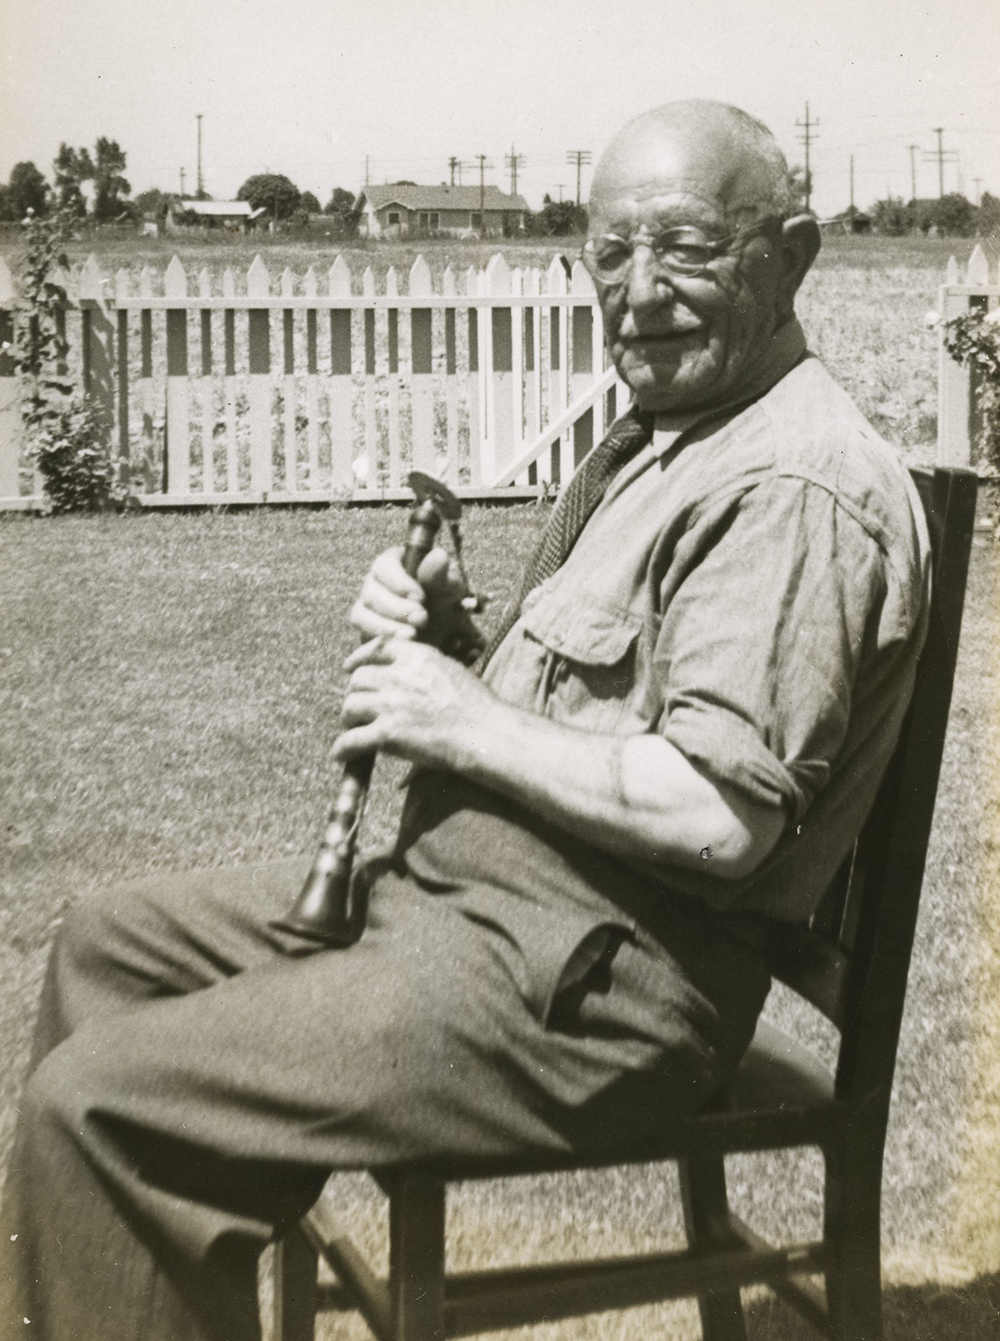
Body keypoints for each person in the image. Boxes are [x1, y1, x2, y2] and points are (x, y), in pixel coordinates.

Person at [0, 100, 930, 1341]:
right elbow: (599, 709)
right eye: (610, 253)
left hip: (598, 995)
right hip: (484, 917)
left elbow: (716, 819)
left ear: (792, 255)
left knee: (100, 1111)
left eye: (688, 249)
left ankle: (148, 1211)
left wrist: (458, 723)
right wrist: (452, 644)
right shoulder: (671, 440)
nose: (641, 293)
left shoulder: (792, 485)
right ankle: (146, 1273)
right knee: (108, 946)